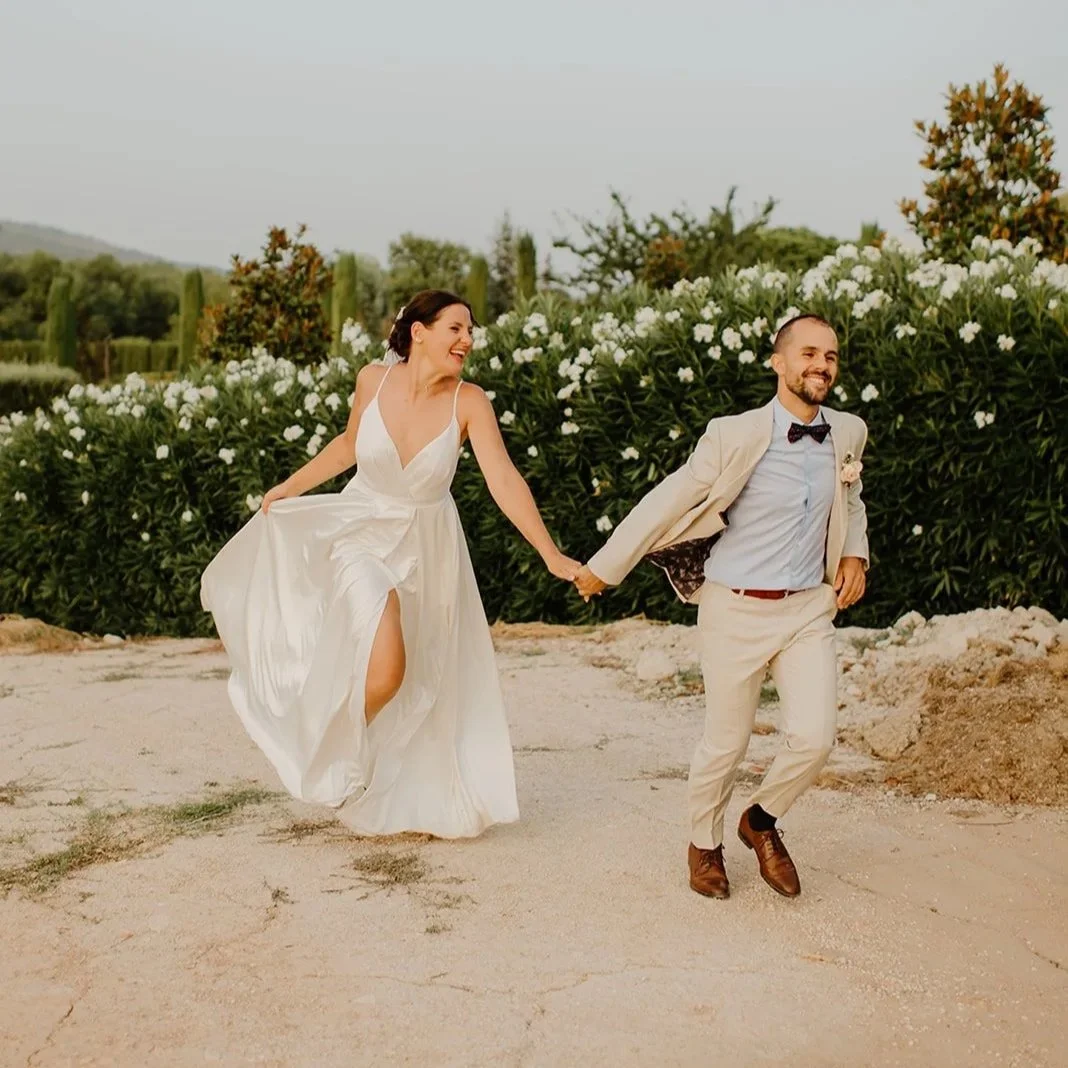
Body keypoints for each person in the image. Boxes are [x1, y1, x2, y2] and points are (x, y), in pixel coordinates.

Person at [201, 290, 580, 839]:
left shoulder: (469, 401)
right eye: (456, 328)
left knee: (418, 675)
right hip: (360, 532)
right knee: (388, 663)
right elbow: (349, 446)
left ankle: (374, 772)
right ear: (419, 332)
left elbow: (503, 479)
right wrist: (288, 487)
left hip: (429, 546)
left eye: (470, 332)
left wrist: (550, 554)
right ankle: (328, 748)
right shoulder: (370, 381)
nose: (467, 340)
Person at [574, 314, 869, 899]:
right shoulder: (734, 434)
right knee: (726, 743)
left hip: (808, 608)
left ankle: (759, 821)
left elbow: (852, 495)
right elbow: (670, 498)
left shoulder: (849, 432)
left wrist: (855, 554)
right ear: (778, 363)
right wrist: (604, 568)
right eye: (808, 353)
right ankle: (703, 844)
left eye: (831, 356)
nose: (821, 365)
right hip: (734, 608)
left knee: (815, 737)